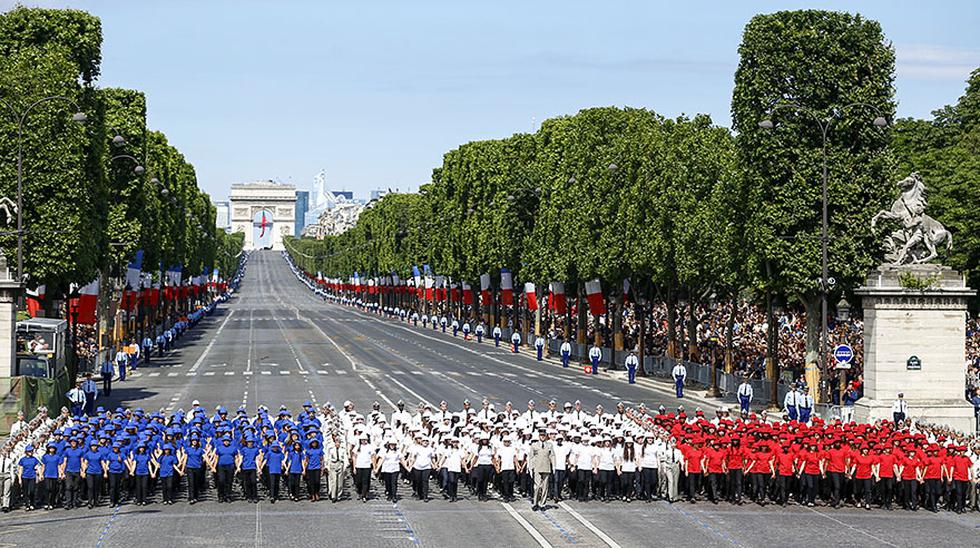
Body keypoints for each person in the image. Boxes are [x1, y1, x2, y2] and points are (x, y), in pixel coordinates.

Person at [528, 430, 554, 510]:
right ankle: (535, 503)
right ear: (539, 436)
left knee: (545, 487)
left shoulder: (549, 445)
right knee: (537, 487)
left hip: (546, 467)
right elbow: (531, 457)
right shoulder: (534, 445)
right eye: (541, 435)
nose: (542, 437)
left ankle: (542, 503)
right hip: (537, 467)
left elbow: (552, 456)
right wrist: (530, 468)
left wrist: (554, 467)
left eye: (544, 435)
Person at [17, 445, 40, 511]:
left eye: (32, 451)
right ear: (26, 452)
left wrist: (39, 473)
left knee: (32, 490)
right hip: (25, 476)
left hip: (32, 476)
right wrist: (19, 478)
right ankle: (27, 504)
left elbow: (37, 467)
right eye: (29, 451)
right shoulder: (22, 459)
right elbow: (20, 469)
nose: (31, 452)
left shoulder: (34, 459)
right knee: (25, 491)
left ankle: (32, 503)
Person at [326, 433, 345, 503]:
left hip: (340, 463)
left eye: (338, 442)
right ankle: (333, 496)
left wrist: (345, 466)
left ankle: (339, 495)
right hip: (333, 464)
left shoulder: (342, 449)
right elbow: (328, 458)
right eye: (336, 442)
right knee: (334, 480)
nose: (337, 444)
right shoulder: (331, 449)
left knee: (340, 482)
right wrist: (327, 466)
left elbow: (344, 458)